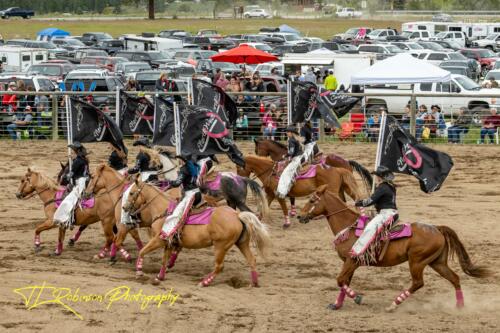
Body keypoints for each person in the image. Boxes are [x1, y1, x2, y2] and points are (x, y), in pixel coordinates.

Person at [350, 166, 398, 264]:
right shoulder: (390, 187)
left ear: (380, 177)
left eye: (376, 176)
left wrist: (355, 203)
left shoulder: (382, 187)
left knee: (369, 228)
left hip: (386, 214)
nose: (375, 178)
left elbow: (369, 201)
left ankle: (358, 253)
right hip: (390, 212)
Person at [160, 154, 202, 241]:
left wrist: (169, 182)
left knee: (177, 213)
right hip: (197, 193)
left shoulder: (184, 169)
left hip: (191, 195)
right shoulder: (195, 167)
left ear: (183, 160)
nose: (179, 161)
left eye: (179, 159)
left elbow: (177, 183)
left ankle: (170, 233)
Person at [53, 142, 90, 228]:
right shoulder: (84, 159)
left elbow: (71, 175)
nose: (72, 152)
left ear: (76, 151)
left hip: (80, 182)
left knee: (68, 200)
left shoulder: (77, 161)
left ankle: (67, 219)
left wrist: (66, 175)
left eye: (73, 151)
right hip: (86, 180)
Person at [277, 125, 304, 201]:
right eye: (286, 132)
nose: (286, 133)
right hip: (300, 158)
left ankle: (282, 192)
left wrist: (284, 156)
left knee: (285, 174)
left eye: (288, 132)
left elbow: (291, 152)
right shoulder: (296, 139)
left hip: (296, 160)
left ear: (292, 133)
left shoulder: (291, 140)